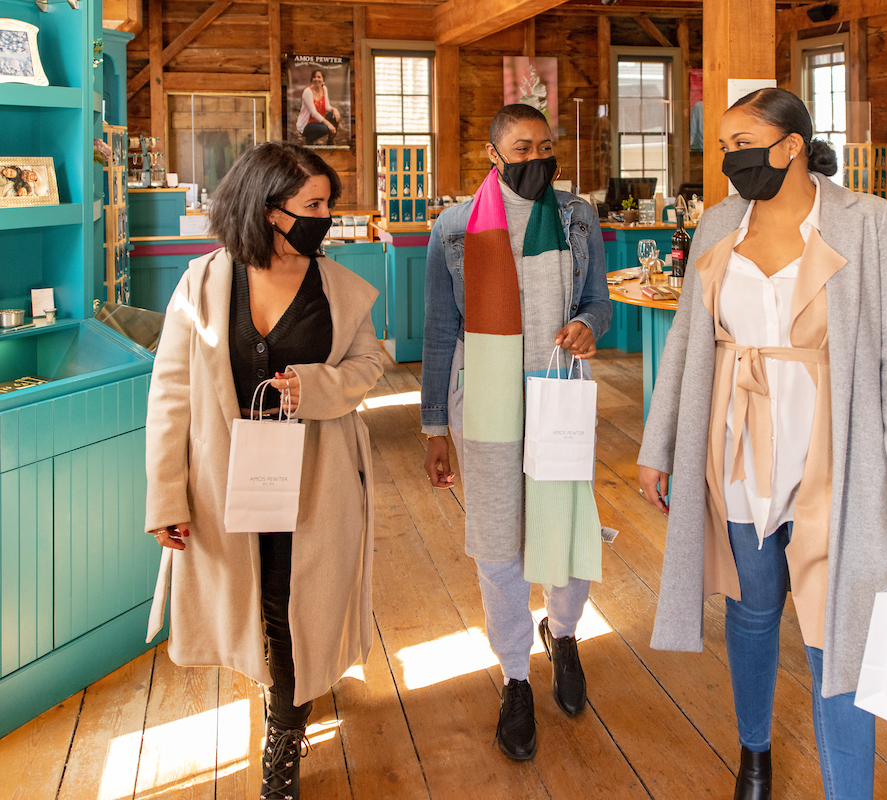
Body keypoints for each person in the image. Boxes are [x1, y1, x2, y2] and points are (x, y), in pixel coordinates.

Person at [637, 88, 887, 800]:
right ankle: (754, 751)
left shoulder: (869, 224)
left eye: (741, 142)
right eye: (721, 147)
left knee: (838, 628)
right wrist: (660, 446)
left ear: (791, 145)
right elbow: (687, 342)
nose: (727, 158)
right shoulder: (717, 223)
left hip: (837, 455)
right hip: (736, 449)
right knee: (751, 606)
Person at [143, 141, 382, 799]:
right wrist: (166, 495)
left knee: (294, 602)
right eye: (313, 204)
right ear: (267, 207)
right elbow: (170, 394)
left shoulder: (338, 286)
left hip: (319, 482)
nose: (325, 216)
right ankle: (288, 700)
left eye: (326, 203)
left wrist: (318, 386)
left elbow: (369, 366)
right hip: (226, 483)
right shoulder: (203, 283)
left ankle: (283, 734)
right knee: (257, 602)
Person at [421, 103, 613, 761]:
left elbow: (600, 304)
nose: (538, 157)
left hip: (560, 395)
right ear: (494, 156)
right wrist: (431, 428)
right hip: (486, 405)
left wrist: (590, 325)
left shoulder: (576, 217)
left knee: (563, 526)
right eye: (523, 147)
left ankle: (562, 634)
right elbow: (441, 331)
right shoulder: (453, 229)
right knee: (499, 542)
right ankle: (514, 676)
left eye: (547, 145)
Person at [296, 68, 341, 146]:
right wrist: (329, 125)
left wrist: (334, 109)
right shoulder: (308, 91)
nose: (316, 79)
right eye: (314, 77)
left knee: (334, 117)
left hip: (318, 121)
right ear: (311, 79)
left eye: (319, 77)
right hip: (307, 123)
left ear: (323, 79)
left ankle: (330, 141)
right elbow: (313, 113)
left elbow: (327, 106)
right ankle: (309, 140)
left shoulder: (324, 89)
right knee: (326, 128)